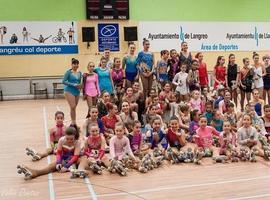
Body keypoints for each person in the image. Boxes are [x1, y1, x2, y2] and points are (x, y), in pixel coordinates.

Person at [62, 58, 82, 125]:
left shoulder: (79, 73)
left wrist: (80, 86)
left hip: (77, 91)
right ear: (71, 64)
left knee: (73, 108)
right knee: (72, 106)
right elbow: (63, 81)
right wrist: (73, 84)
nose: (75, 65)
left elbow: (79, 82)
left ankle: (74, 121)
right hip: (69, 90)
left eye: (77, 64)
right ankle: (73, 122)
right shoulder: (68, 72)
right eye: (74, 64)